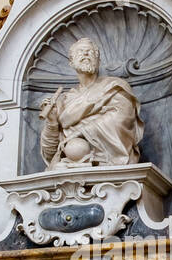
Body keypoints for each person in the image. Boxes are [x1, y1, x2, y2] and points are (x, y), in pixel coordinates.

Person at [38, 38, 145, 167]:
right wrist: (52, 122)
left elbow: (122, 118)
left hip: (108, 159)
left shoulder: (114, 86)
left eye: (90, 52)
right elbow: (51, 153)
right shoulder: (64, 100)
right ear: (71, 63)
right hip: (68, 162)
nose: (86, 54)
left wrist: (81, 132)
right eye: (80, 52)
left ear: (98, 61)